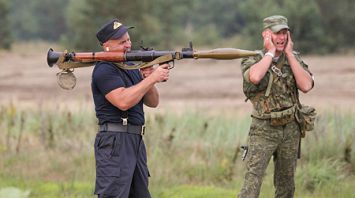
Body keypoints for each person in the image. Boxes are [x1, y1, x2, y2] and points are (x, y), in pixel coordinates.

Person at [91, 18, 170, 198]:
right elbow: (123, 101)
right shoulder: (104, 69)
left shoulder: (131, 66)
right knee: (114, 193)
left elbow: (153, 102)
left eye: (128, 40)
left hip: (135, 140)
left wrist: (148, 78)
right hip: (115, 141)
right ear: (107, 46)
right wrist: (153, 78)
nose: (127, 45)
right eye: (121, 42)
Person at [238, 15, 314, 198]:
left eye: (284, 33)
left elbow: (306, 86)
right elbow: (255, 77)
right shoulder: (252, 59)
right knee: (252, 183)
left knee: (286, 185)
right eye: (276, 33)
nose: (281, 38)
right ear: (266, 34)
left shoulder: (294, 59)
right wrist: (270, 53)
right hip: (264, 129)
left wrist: (289, 55)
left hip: (290, 128)